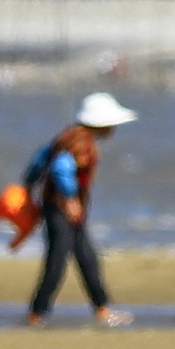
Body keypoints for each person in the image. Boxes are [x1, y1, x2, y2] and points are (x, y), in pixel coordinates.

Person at [23, 92, 137, 327]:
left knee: (87, 258)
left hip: (59, 208)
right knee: (57, 260)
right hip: (62, 209)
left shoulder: (67, 136)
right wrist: (71, 199)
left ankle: (102, 308)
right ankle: (37, 313)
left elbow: (39, 161)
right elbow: (60, 168)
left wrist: (29, 185)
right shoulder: (82, 143)